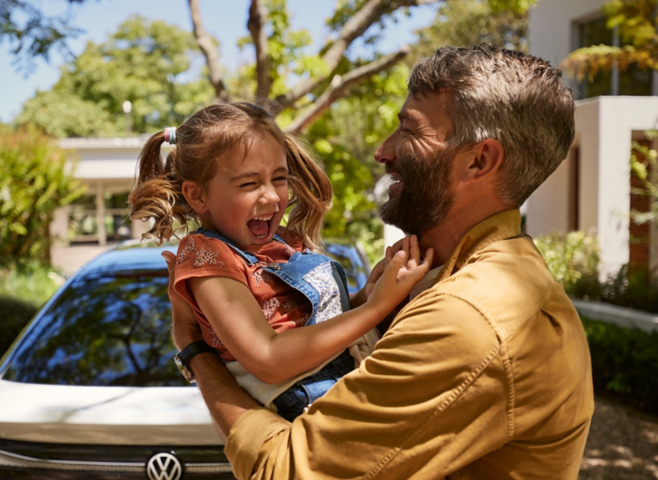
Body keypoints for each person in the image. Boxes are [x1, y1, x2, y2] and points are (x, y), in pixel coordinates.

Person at [165, 44, 595, 479]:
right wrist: (368, 302)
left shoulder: (470, 319)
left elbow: (285, 469)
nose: (383, 151)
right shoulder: (453, 277)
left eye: (409, 131)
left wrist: (195, 350)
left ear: (479, 160)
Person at [128, 102, 433, 421]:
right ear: (197, 196)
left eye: (279, 178)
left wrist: (363, 297)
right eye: (249, 184)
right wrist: (377, 308)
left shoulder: (283, 242)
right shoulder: (208, 257)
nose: (272, 197)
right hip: (302, 403)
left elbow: (306, 323)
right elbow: (269, 359)